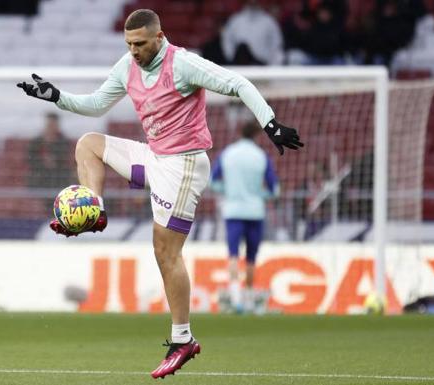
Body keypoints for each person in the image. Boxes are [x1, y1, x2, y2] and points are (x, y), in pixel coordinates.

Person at [17, 9, 303, 378]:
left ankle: (183, 339)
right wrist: (56, 96)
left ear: (158, 37)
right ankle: (94, 211)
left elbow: (238, 83)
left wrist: (271, 124)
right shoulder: (126, 65)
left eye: (139, 44)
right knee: (88, 145)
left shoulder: (182, 64)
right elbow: (96, 105)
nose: (133, 51)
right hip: (155, 158)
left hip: (184, 165)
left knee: (165, 251)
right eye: (128, 44)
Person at [210, 121, 279, 313]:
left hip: (233, 210)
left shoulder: (228, 153)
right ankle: (248, 299)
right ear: (256, 136)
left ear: (240, 133)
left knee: (233, 254)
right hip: (255, 211)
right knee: (250, 257)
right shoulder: (261, 156)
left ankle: (235, 298)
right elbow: (274, 190)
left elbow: (213, 181)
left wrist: (228, 191)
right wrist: (260, 194)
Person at [220, 0, 284, 65]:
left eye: (255, 2)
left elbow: (276, 45)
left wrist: (272, 66)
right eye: (250, 2)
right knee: (242, 47)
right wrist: (231, 58)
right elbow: (227, 41)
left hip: (262, 66)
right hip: (239, 64)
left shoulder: (269, 21)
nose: (252, 4)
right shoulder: (235, 20)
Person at [26, 113, 74, 189]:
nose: (51, 127)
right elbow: (29, 159)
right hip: (39, 176)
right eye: (49, 125)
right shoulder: (36, 142)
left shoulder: (64, 142)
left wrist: (54, 160)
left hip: (59, 178)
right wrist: (43, 161)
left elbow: (65, 159)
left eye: (53, 125)